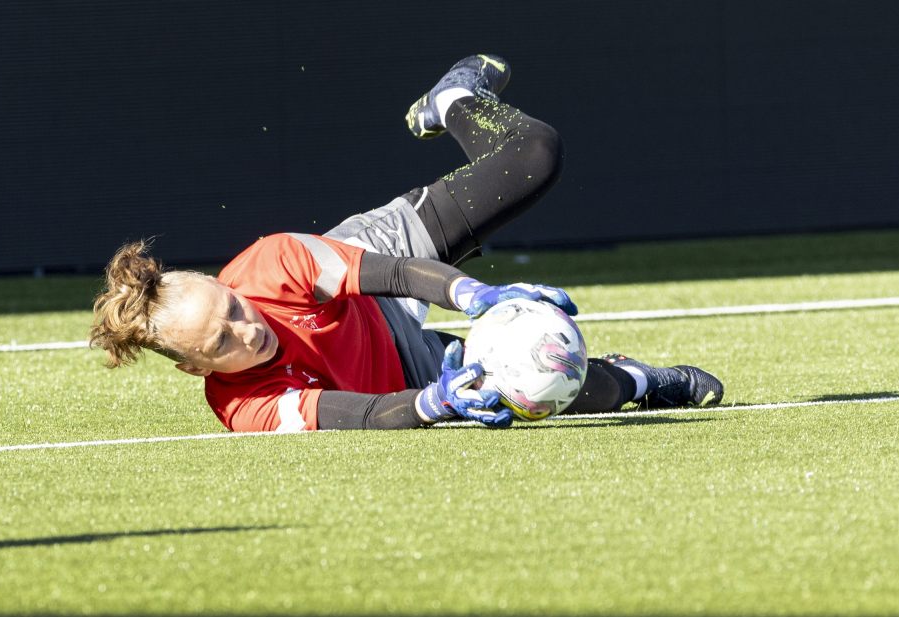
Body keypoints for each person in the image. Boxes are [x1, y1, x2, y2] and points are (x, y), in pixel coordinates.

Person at [90, 55, 723, 433]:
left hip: (376, 279)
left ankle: (456, 100)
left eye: (232, 308)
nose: (246, 329)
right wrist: (437, 401)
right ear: (196, 369)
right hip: (403, 377)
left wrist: (475, 295)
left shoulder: (270, 264)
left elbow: (394, 274)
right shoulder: (243, 407)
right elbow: (366, 417)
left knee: (536, 154)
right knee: (551, 388)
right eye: (220, 343)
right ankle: (639, 378)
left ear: (220, 282)